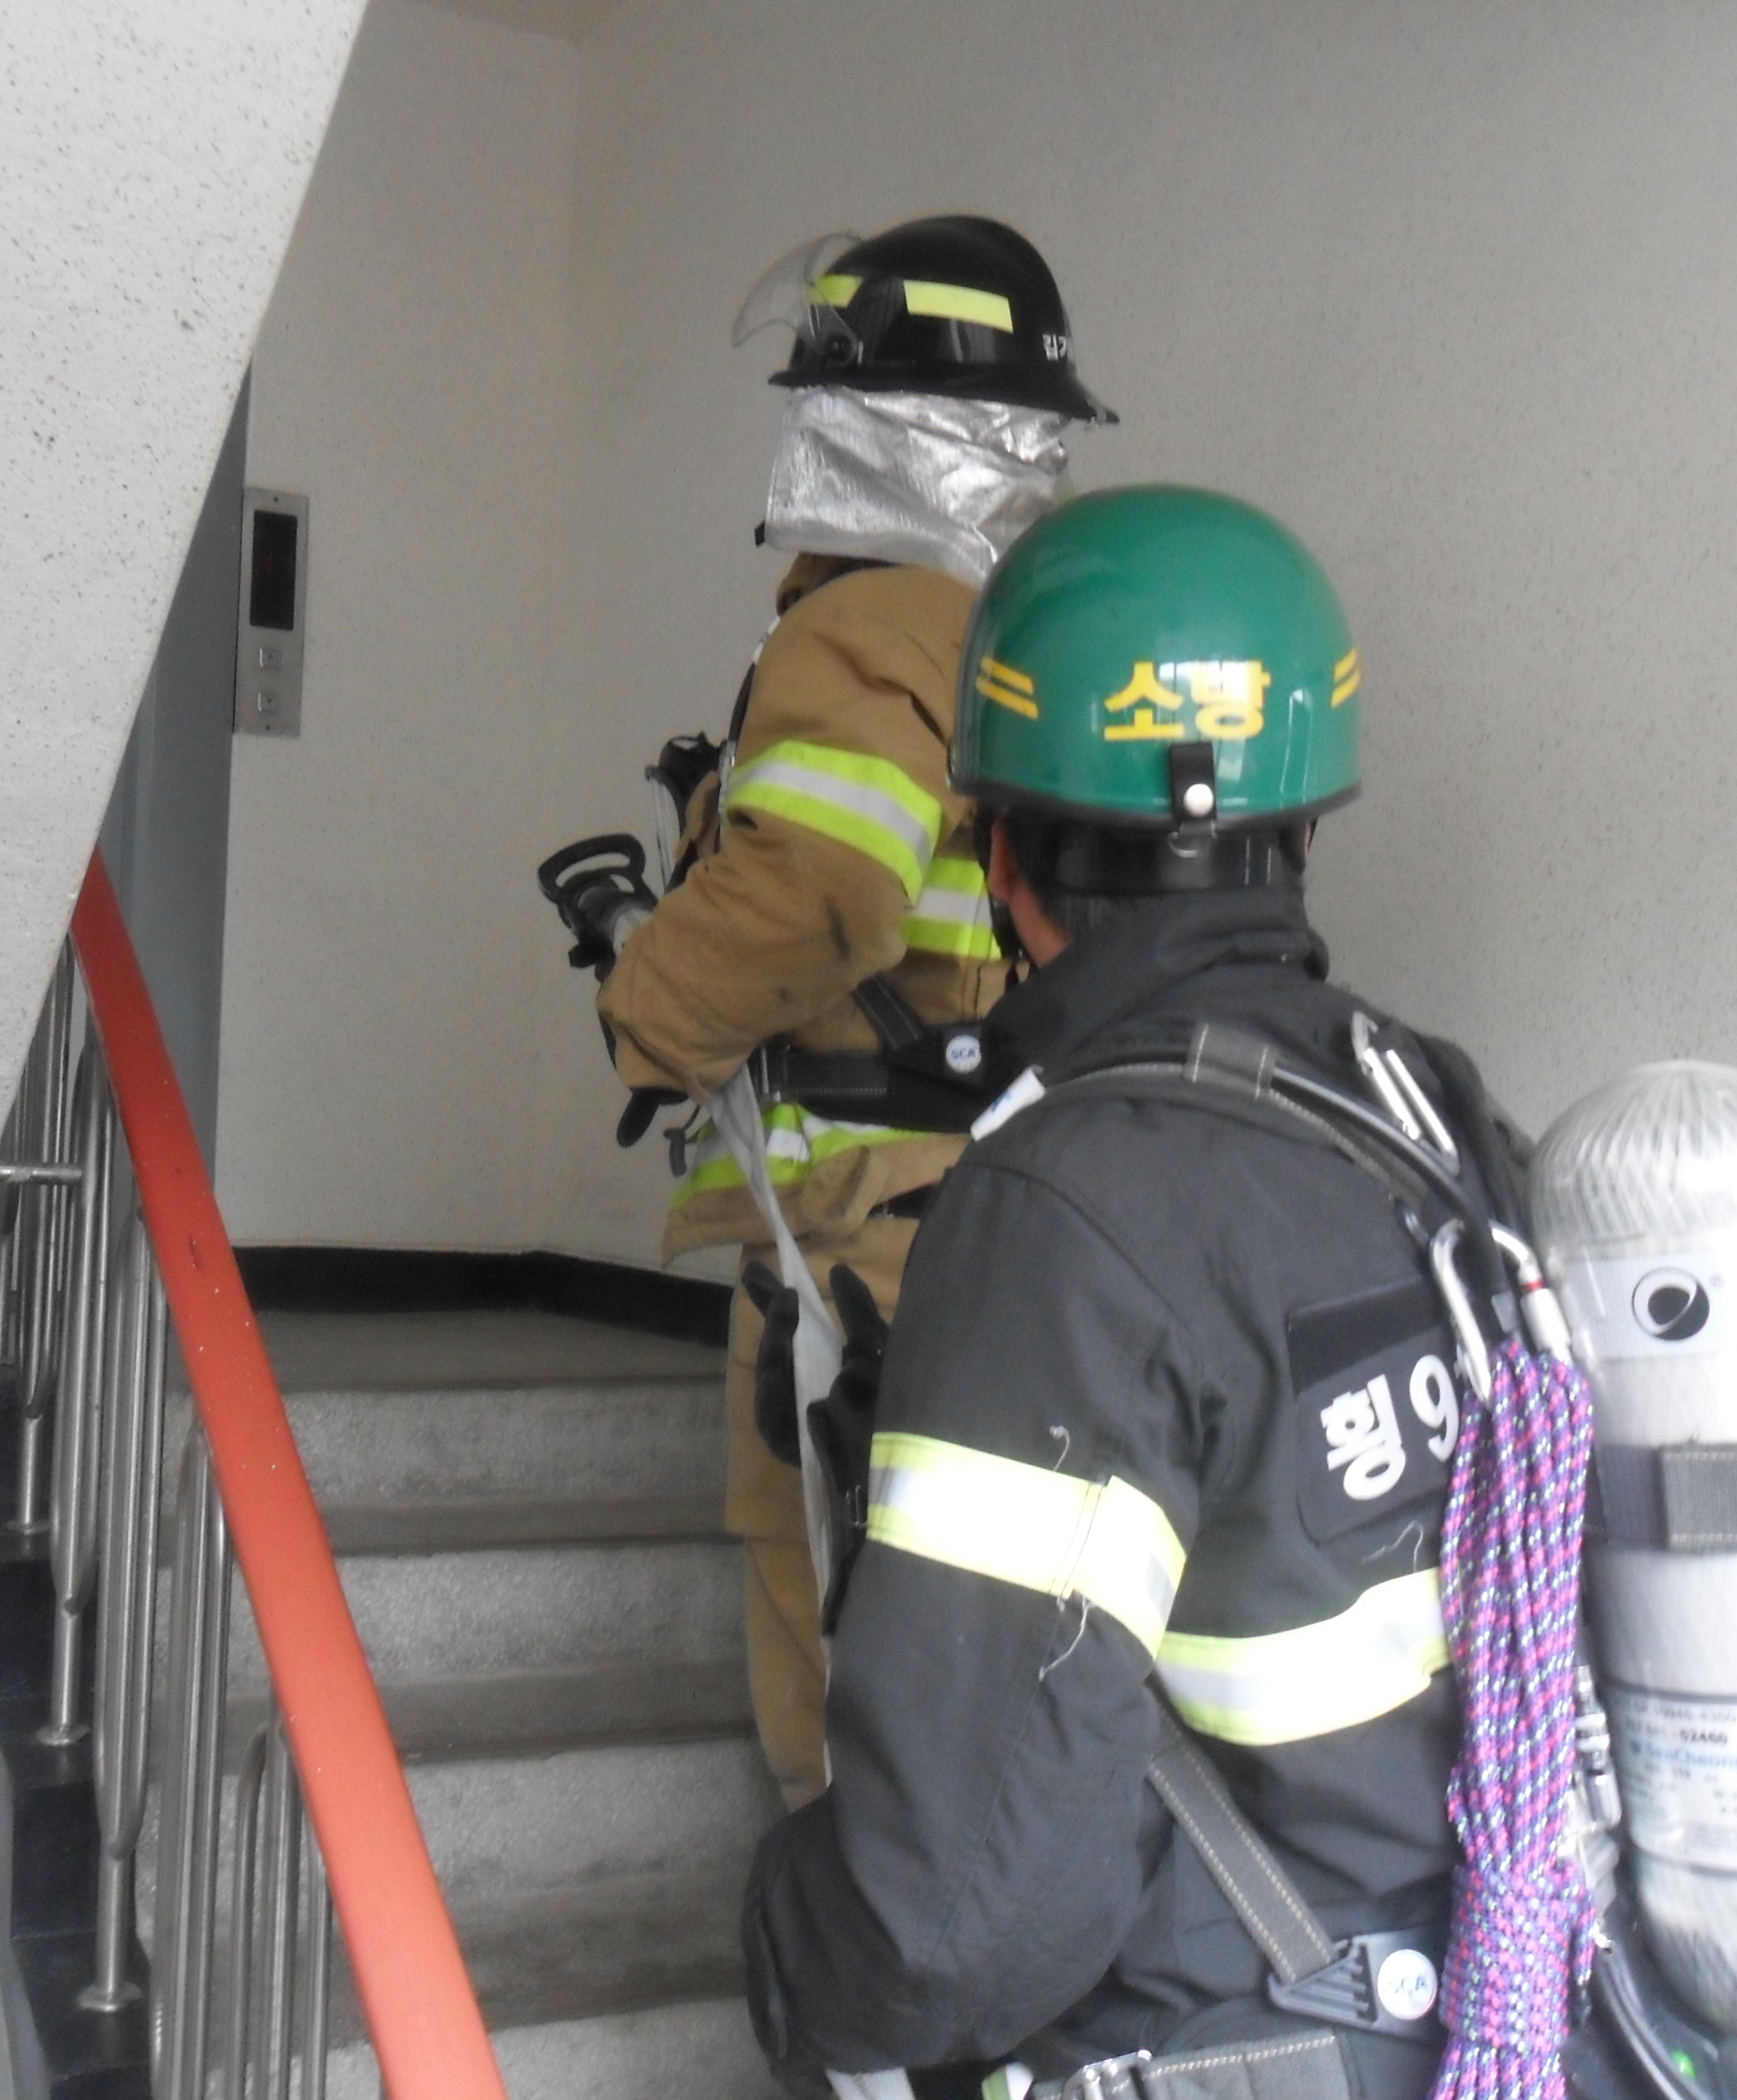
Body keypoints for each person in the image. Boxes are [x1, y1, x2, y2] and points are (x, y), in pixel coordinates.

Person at [740, 486, 1542, 2100]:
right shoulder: (1424, 1108)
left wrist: (777, 1941)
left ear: (1000, 847)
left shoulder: (1060, 1210)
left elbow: (946, 1927)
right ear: (1300, 822)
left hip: (1230, 2045)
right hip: (1496, 2013)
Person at [575, 216, 1115, 1809]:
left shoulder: (870, 623)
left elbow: (821, 887)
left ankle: (845, 1943)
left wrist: (648, 1010)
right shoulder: (1027, 634)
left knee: (830, 1632)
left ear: (862, 424)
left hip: (858, 1236)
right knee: (969, 1644)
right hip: (1000, 1203)